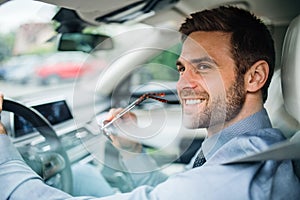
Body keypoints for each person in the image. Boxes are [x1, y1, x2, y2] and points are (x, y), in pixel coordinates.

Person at [0, 6, 300, 200]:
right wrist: (133, 151)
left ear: (254, 77)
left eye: (204, 67)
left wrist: (4, 156)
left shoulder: (244, 172)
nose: (184, 83)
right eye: (182, 68)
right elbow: (175, 190)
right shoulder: (248, 150)